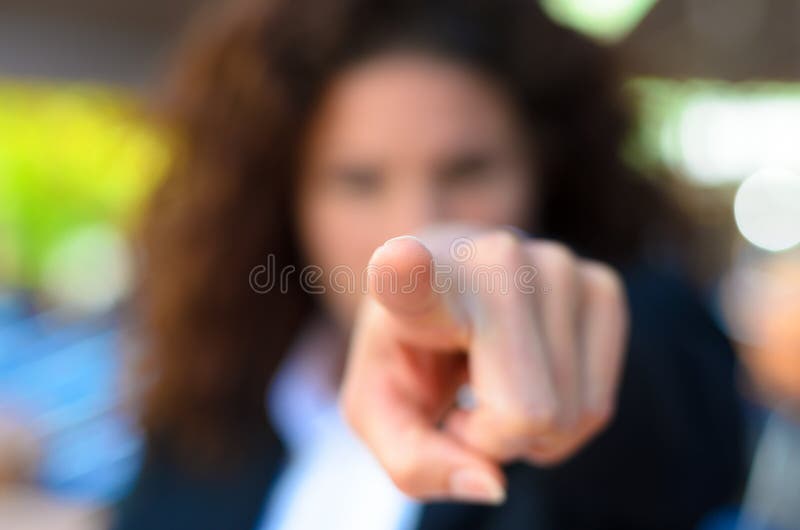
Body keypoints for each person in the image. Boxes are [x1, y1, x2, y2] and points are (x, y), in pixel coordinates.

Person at [114, 0, 746, 528]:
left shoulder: (633, 347)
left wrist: (536, 296)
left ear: (545, 170)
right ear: (286, 202)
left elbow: (662, 384)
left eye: (468, 170)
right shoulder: (221, 406)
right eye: (358, 180)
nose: (413, 226)